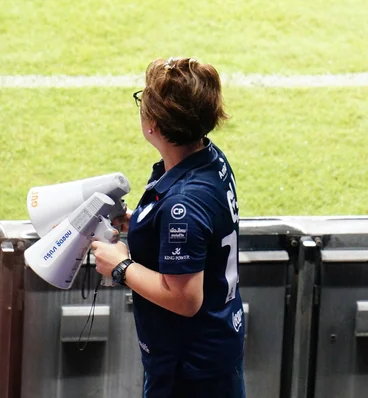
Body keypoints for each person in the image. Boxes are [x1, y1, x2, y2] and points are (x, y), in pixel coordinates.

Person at [91, 57, 246, 398]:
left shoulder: (184, 205)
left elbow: (185, 298)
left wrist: (120, 266)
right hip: (211, 353)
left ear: (154, 125)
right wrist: (139, 223)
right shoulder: (210, 158)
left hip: (189, 372)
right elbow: (198, 234)